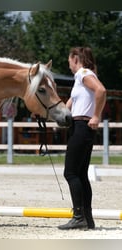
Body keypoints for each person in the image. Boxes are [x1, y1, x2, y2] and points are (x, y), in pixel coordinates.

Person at [58, 47, 106, 230]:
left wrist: (96, 116)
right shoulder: (80, 79)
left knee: (70, 173)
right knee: (80, 174)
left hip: (82, 127)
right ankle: (87, 218)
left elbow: (101, 91)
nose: (68, 63)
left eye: (69, 60)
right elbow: (65, 108)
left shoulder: (83, 73)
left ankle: (79, 217)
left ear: (75, 59)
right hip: (80, 127)